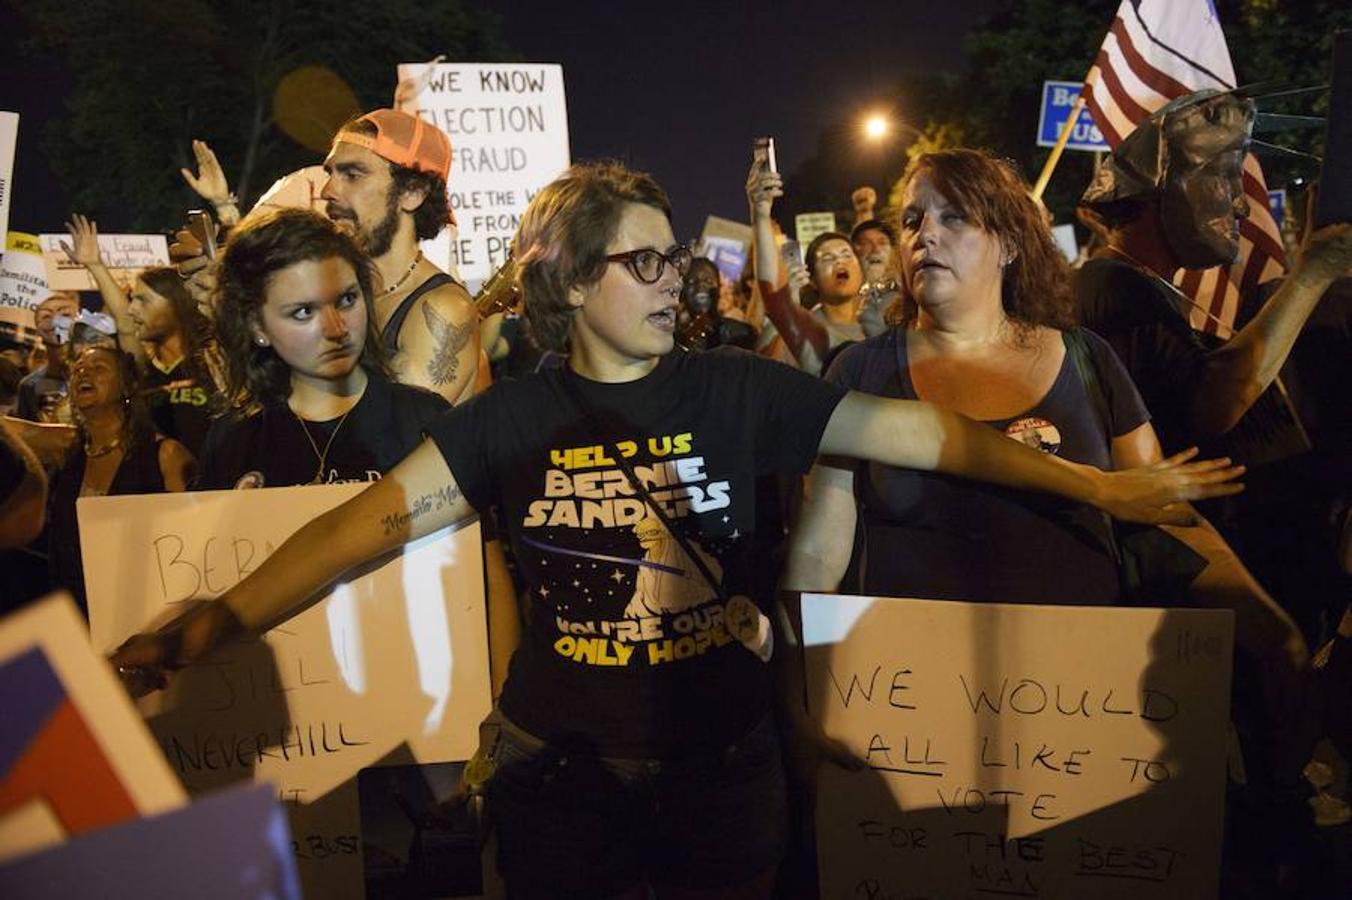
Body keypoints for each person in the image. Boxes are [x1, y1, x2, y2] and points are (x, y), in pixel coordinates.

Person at [113, 161, 1241, 899]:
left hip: (724, 782)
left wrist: (1101, 492)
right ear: (566, 280)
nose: (676, 280)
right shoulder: (507, 421)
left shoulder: (739, 392)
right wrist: (218, 617)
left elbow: (931, 440)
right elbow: (359, 531)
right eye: (643, 260)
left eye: (677, 257)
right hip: (561, 794)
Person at [196, 208, 451, 490]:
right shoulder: (234, 442)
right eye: (304, 312)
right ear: (257, 327)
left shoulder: (425, 420)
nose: (336, 328)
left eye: (346, 300)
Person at [321, 109, 481, 406]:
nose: (327, 190)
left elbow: (380, 436)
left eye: (353, 175)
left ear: (412, 193)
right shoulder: (335, 293)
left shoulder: (444, 309)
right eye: (330, 173)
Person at [47, 346, 193, 615]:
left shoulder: (165, 456)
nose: (83, 374)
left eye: (98, 368)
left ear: (128, 385)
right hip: (76, 617)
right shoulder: (67, 458)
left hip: (141, 618)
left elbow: (192, 546)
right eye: (77, 370)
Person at [62, 217, 221, 457]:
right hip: (155, 491)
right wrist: (95, 265)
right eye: (133, 300)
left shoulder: (212, 360)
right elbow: (125, 324)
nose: (132, 309)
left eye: (143, 301)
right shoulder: (144, 369)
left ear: (177, 305)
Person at [14, 292, 80, 424]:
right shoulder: (29, 386)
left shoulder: (100, 375)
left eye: (65, 315)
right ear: (37, 329)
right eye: (46, 316)